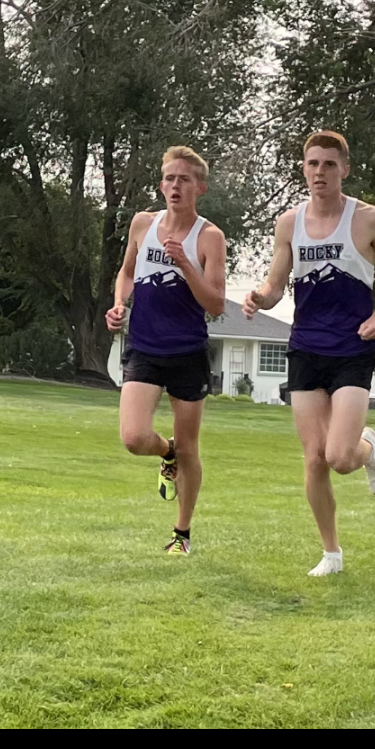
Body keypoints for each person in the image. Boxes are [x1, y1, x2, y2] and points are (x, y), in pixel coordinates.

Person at [243, 131, 375, 576]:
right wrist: (259, 298)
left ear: (345, 169)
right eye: (313, 164)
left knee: (340, 457)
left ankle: (368, 446)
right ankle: (331, 554)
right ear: (303, 168)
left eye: (329, 165)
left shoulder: (369, 219)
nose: (320, 172)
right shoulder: (289, 223)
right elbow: (276, 285)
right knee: (314, 456)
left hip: (353, 347)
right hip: (305, 348)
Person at [106, 146, 226, 555]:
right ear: (161, 184)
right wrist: (120, 303)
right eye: (170, 178)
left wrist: (186, 265)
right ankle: (166, 451)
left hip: (188, 352)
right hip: (144, 347)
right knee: (134, 437)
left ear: (200, 187)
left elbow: (215, 305)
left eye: (185, 179)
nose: (176, 186)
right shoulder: (143, 223)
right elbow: (125, 273)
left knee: (192, 448)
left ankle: (182, 534)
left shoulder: (209, 237)